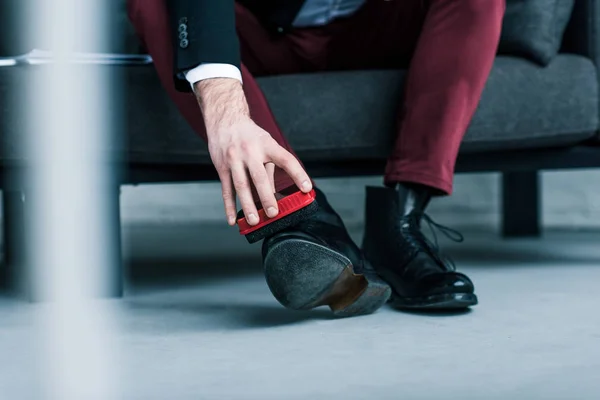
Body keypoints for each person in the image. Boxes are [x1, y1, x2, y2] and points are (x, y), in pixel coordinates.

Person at [127, 0, 505, 315]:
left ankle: (401, 225)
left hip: (375, 24)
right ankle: (304, 220)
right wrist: (224, 105)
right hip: (259, 32)